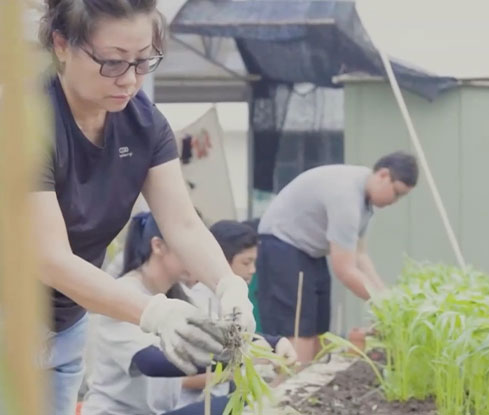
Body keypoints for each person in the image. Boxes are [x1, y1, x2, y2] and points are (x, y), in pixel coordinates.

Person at [34, 2, 253, 413]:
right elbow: (50, 260)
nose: (130, 80)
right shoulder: (25, 123)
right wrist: (153, 312)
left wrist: (228, 286)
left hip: (67, 324)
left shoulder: (144, 124)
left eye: (143, 61)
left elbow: (183, 225)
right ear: (62, 44)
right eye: (113, 63)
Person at [256, 152, 418, 363]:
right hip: (282, 245)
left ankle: (309, 383)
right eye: (396, 193)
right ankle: (292, 389)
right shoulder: (347, 196)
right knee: (300, 331)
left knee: (320, 330)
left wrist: (385, 295)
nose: (395, 201)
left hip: (311, 252)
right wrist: (384, 305)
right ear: (383, 175)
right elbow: (345, 270)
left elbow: (360, 255)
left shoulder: (366, 201)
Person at [82, 213, 232, 415]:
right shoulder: (123, 295)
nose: (198, 260)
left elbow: (212, 334)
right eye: (190, 250)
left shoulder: (180, 296)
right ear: (158, 246)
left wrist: (270, 344)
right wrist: (233, 356)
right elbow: (152, 363)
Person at [180, 220, 297, 405]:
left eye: (254, 262)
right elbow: (183, 381)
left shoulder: (231, 302)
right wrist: (244, 365)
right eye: (246, 262)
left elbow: (245, 339)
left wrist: (276, 345)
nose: (252, 270)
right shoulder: (197, 305)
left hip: (220, 399)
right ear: (221, 262)